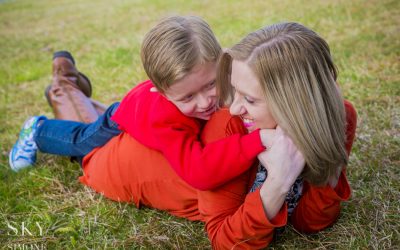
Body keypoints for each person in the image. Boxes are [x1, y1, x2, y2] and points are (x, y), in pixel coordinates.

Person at [10, 21, 357, 248]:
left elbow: (311, 221)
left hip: (150, 133)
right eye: (234, 92)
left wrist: (323, 151)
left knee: (106, 115)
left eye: (248, 99)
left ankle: (68, 78)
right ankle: (59, 89)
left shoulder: (335, 118)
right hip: (116, 164)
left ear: (298, 104)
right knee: (84, 140)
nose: (230, 106)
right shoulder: (229, 126)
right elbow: (225, 239)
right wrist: (277, 183)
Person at [9, 16, 271, 191]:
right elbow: (197, 172)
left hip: (139, 105)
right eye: (187, 97)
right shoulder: (166, 120)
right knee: (80, 140)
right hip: (121, 117)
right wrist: (256, 141)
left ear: (221, 62)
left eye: (211, 84)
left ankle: (74, 89)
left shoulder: (227, 74)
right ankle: (38, 130)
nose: (206, 102)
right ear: (163, 93)